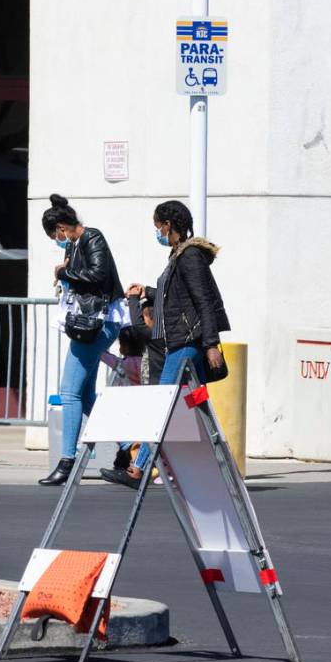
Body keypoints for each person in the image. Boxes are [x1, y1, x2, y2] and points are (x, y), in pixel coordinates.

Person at [101, 200, 229, 489]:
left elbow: (203, 301)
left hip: (187, 343)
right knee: (196, 401)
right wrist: (147, 291)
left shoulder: (189, 256)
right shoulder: (180, 256)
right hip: (187, 341)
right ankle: (218, 461)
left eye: (157, 226)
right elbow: (179, 296)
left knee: (161, 403)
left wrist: (210, 344)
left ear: (168, 225)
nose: (156, 231)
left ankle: (137, 469)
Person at [39, 194, 125, 486]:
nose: (56, 240)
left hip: (97, 324)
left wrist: (65, 272)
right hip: (92, 324)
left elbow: (98, 274)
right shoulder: (76, 244)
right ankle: (131, 446)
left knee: (70, 392)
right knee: (86, 395)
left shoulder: (92, 237)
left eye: (55, 234)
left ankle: (67, 462)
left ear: (62, 227)